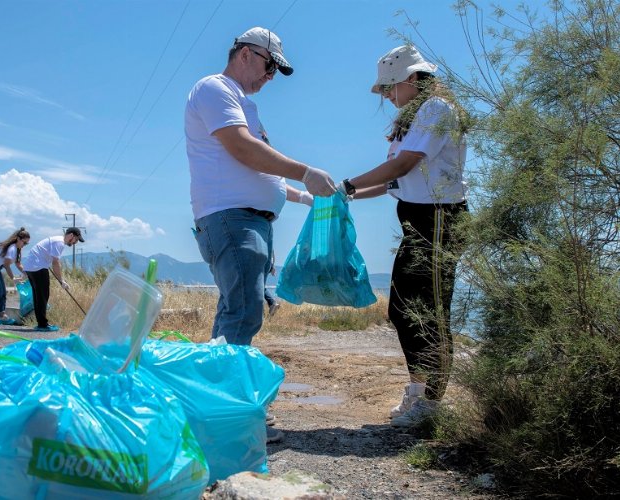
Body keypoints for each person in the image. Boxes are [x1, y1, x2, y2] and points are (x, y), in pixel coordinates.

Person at [185, 26, 333, 443]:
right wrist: (305, 170)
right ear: (247, 54)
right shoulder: (215, 89)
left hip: (248, 221)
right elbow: (243, 150)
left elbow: (255, 168)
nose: (270, 77)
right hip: (232, 220)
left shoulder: (243, 103)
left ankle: (216, 405)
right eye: (270, 67)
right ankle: (228, 418)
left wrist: (303, 196)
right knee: (245, 312)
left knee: (236, 311)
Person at [338, 45, 469, 428]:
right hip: (417, 220)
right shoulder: (413, 117)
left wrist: (347, 184)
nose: (388, 96)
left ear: (412, 79)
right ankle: (418, 390)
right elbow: (397, 177)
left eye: (390, 88)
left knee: (431, 310)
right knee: (402, 309)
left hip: (440, 219)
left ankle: (432, 402)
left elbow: (403, 163)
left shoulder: (437, 109)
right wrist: (347, 194)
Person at [21, 227, 84, 332]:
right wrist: (61, 281)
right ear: (71, 235)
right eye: (76, 240)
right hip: (38, 267)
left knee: (38, 296)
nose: (75, 243)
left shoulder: (56, 240)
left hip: (31, 267)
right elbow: (55, 263)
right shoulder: (59, 242)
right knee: (43, 296)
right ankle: (43, 325)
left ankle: (41, 323)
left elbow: (46, 255)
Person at [0, 228, 30, 326]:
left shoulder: (17, 249)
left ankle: (2, 316)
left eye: (26, 244)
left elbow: (18, 264)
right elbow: (7, 265)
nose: (24, 245)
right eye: (24, 243)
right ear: (19, 239)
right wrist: (13, 278)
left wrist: (26, 273)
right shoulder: (12, 248)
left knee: (2, 292)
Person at [264, 250, 280, 317]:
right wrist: (272, 266)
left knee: (257, 286)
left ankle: (260, 313)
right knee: (261, 285)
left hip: (259, 262)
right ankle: (272, 303)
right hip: (268, 263)